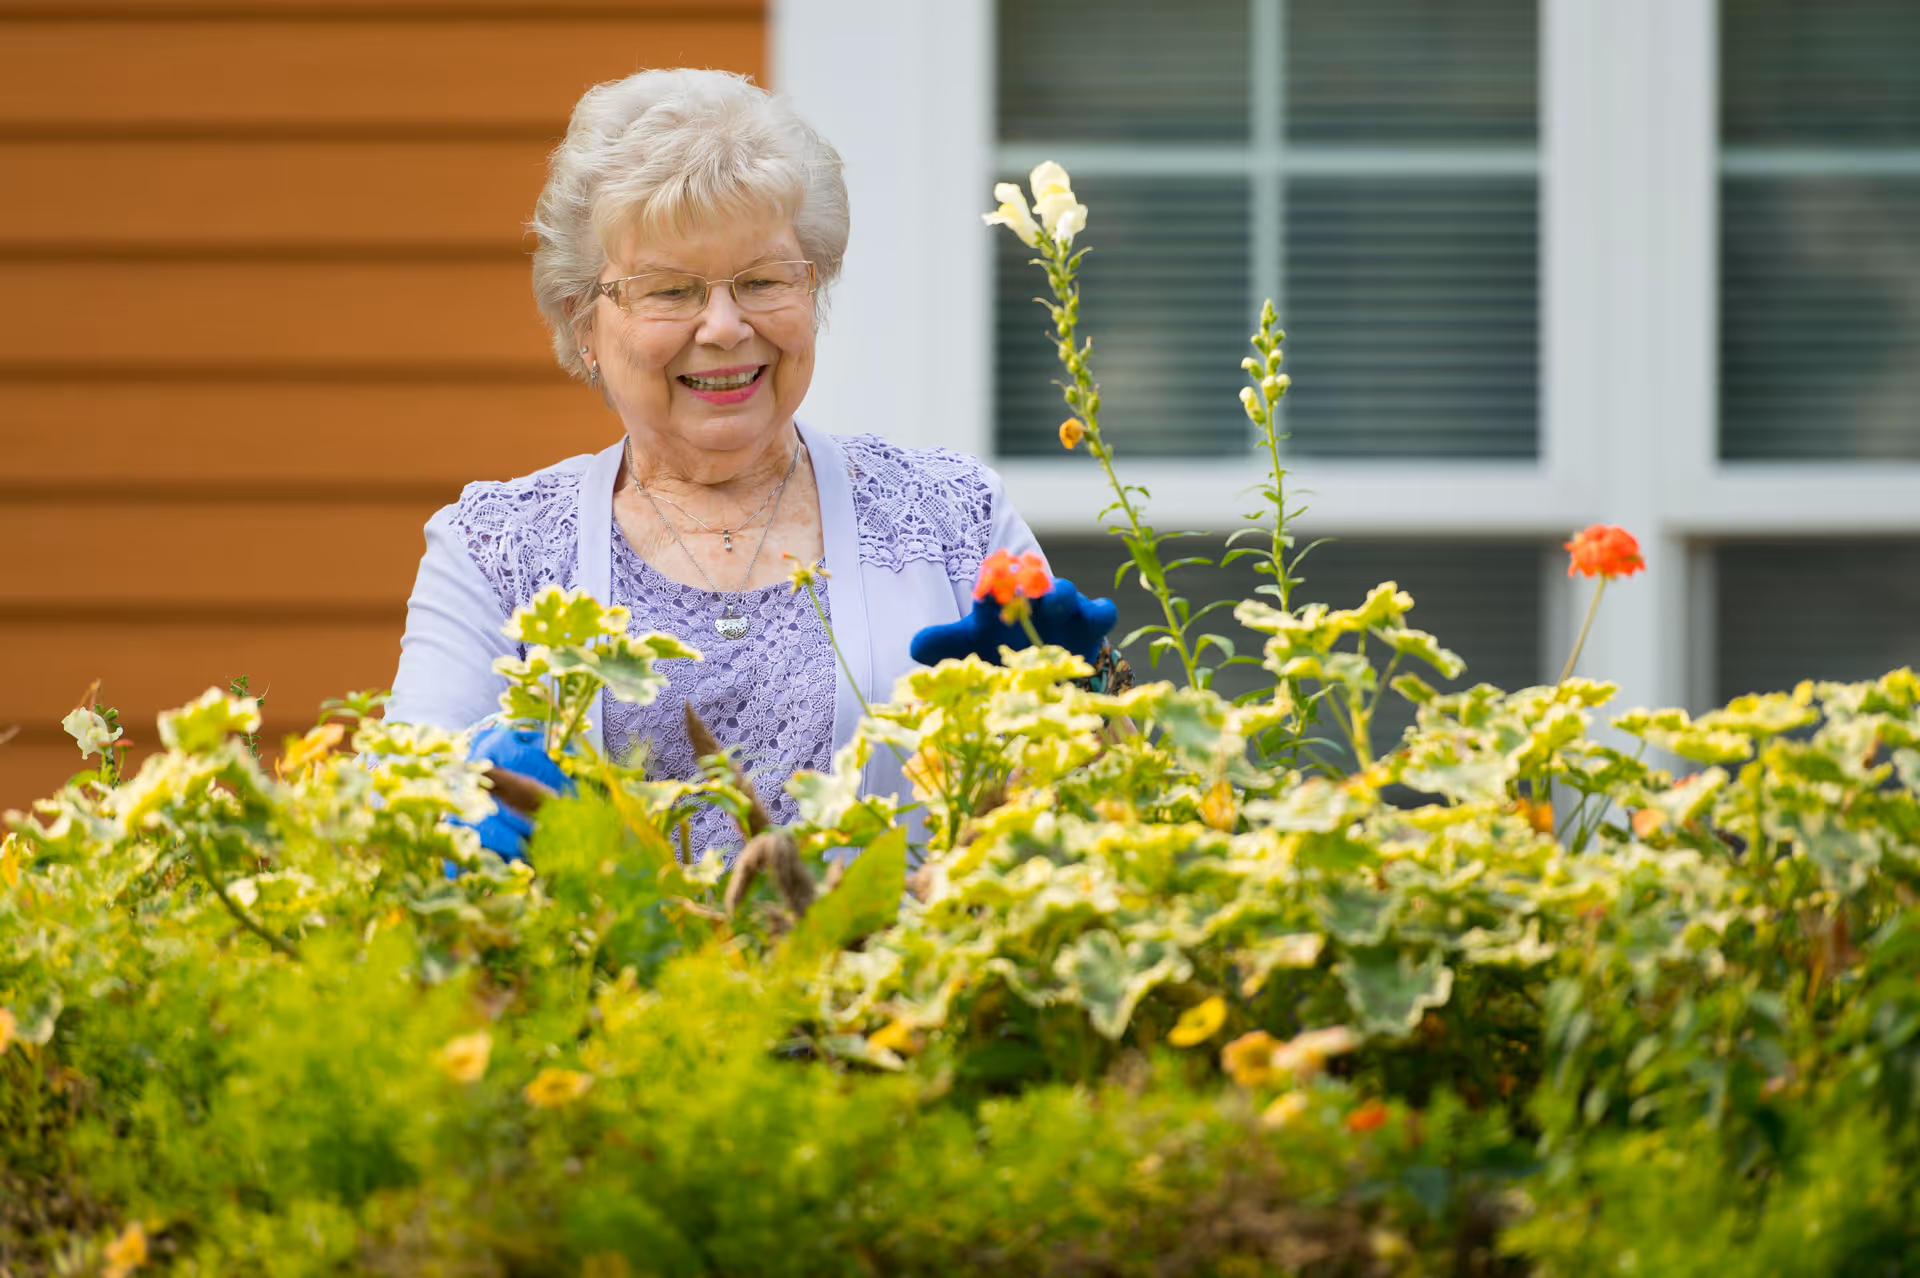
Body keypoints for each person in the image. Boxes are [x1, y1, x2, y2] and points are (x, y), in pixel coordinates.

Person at [388, 68, 1083, 858]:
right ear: (585, 319)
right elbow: (414, 820)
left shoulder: (954, 515)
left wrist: (1084, 710)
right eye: (671, 290)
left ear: (811, 291)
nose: (724, 326)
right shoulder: (494, 549)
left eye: (760, 280)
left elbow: (1082, 795)